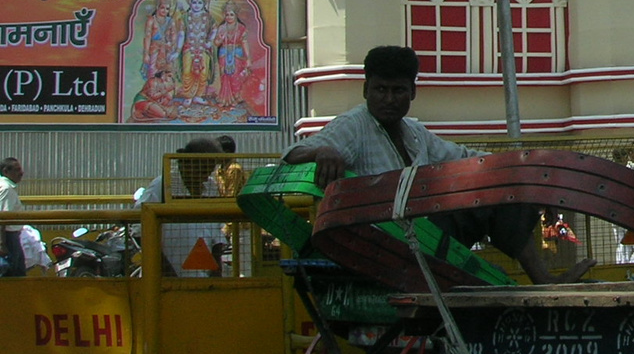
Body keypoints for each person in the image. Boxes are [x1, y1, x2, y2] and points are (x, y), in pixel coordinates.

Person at [282, 45, 591, 284]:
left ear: (412, 93)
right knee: (494, 199)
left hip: (423, 232)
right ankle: (542, 279)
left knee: (500, 187)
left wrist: (526, 176)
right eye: (380, 90)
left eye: (398, 90)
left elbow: (468, 159)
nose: (388, 99)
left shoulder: (414, 133)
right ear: (366, 91)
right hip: (387, 240)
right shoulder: (353, 126)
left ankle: (526, 276)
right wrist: (322, 152)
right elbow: (293, 154)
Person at [136, 137, 228, 276]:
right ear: (186, 164)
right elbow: (139, 230)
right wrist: (164, 268)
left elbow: (215, 232)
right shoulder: (163, 185)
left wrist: (216, 270)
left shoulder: (210, 187)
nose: (205, 177)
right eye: (201, 171)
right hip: (165, 278)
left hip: (202, 277)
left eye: (209, 172)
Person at [0, 157, 25, 277]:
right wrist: (1, 244)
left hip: (11, 236)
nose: (21, 173)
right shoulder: (6, 189)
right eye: (17, 170)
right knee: (13, 272)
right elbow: (3, 217)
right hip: (9, 237)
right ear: (6, 171)